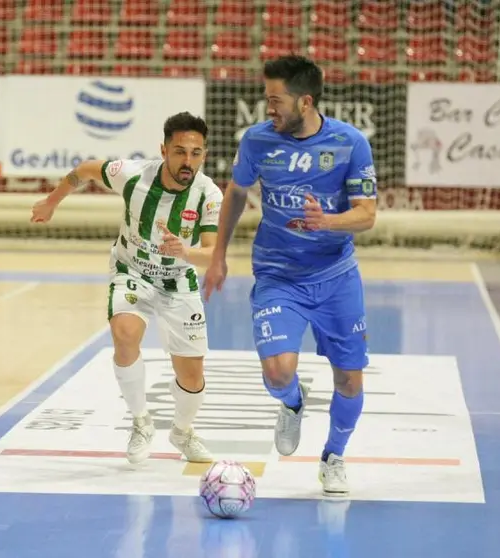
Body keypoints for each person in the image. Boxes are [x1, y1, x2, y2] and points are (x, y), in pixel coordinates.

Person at [203, 55, 378, 497]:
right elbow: (237, 193)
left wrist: (329, 222)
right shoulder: (258, 141)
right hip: (278, 273)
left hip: (336, 274)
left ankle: (333, 457)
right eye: (267, 99)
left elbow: (367, 215)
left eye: (276, 100)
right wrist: (218, 255)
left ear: (305, 101)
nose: (269, 109)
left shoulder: (350, 142)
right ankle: (292, 403)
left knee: (350, 380)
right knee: (280, 373)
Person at [31, 112, 224, 466]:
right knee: (125, 332)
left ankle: (182, 431)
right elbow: (87, 168)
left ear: (204, 155)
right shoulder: (133, 175)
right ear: (163, 150)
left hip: (179, 280)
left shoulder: (208, 194)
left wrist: (185, 251)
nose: (188, 161)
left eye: (196, 154)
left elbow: (212, 254)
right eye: (180, 152)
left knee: (193, 377)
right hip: (131, 269)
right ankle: (141, 422)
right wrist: (52, 201)